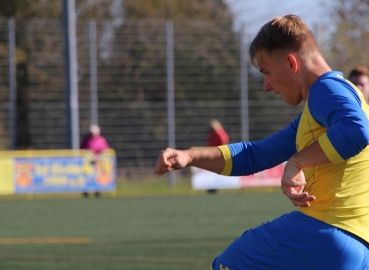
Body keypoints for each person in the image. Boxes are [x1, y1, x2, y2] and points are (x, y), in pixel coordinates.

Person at [154, 14, 369, 269]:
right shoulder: (325, 109)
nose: (266, 85)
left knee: (227, 264)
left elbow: (358, 131)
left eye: (266, 72)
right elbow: (255, 155)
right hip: (358, 245)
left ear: (291, 63)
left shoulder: (326, 89)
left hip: (324, 233)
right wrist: (190, 157)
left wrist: (297, 161)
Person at [80, 124, 109, 197]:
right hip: (88, 162)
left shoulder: (101, 139)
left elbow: (105, 149)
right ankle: (86, 191)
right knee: (87, 176)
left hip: (99, 161)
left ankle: (97, 191)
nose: (92, 134)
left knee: (97, 175)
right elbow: (81, 148)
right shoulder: (86, 139)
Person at [206, 119, 229, 193]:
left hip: (217, 155)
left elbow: (223, 144)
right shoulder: (214, 133)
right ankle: (212, 187)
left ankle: (213, 187)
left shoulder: (219, 133)